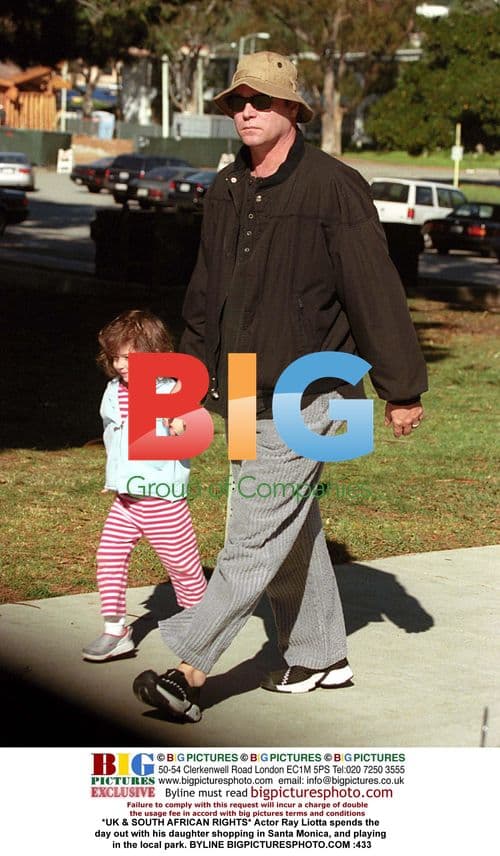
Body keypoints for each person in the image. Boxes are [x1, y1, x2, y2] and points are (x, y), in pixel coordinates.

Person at [133, 52, 427, 722]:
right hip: (244, 386)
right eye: (237, 101)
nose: (246, 111)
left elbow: (373, 289)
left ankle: (188, 672)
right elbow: (206, 292)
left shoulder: (334, 186)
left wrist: (402, 387)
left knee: (252, 534)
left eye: (261, 100)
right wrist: (181, 385)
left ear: (292, 107)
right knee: (287, 529)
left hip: (313, 385)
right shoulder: (229, 184)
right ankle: (321, 655)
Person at [82, 309, 207, 662]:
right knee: (109, 557)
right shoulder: (112, 391)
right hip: (126, 500)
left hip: (161, 500)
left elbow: (189, 425)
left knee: (184, 569)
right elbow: (114, 437)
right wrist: (115, 477)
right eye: (115, 357)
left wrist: (181, 424)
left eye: (129, 357)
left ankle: (203, 628)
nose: (120, 365)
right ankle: (115, 631)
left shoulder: (170, 390)